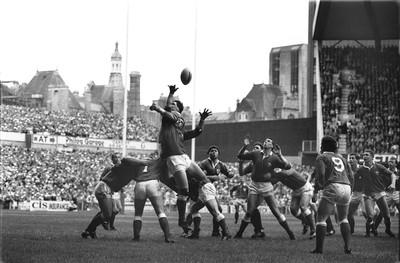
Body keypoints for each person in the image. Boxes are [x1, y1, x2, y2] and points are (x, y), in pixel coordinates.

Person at [150, 85, 212, 235]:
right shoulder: (167, 120)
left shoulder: (179, 129)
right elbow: (167, 111)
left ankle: (199, 203)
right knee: (183, 189)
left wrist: (202, 119)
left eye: (173, 104)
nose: (170, 105)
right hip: (173, 158)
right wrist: (170, 94)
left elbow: (197, 131)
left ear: (178, 109)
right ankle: (182, 219)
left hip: (184, 157)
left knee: (205, 180)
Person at [234, 137, 295, 240]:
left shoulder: (275, 158)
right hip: (254, 185)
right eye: (265, 140)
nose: (266, 141)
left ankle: (290, 233)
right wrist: (244, 146)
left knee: (276, 212)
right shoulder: (256, 154)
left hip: (267, 186)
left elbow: (288, 166)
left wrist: (280, 155)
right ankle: (239, 233)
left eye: (268, 141)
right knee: (249, 211)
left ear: (271, 146)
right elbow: (240, 155)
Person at [81, 155, 153, 239]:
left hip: (108, 189)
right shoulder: (127, 165)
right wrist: (142, 161)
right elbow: (125, 158)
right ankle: (89, 230)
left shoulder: (135, 172)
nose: (145, 165)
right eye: (145, 163)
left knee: (110, 212)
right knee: (107, 214)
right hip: (104, 187)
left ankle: (89, 231)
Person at [311, 136, 353, 254]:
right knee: (343, 218)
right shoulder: (342, 158)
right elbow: (351, 176)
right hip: (347, 186)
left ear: (323, 146)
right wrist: (351, 189)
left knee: (321, 218)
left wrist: (316, 191)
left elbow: (320, 175)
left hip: (333, 186)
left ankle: (319, 249)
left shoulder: (322, 157)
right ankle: (347, 247)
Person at [132, 158, 177, 243]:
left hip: (140, 183)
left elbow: (132, 175)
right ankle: (167, 236)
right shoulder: (156, 161)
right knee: (160, 212)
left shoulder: (138, 164)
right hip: (152, 182)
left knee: (138, 214)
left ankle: (136, 236)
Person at [184, 167, 233, 241]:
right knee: (193, 209)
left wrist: (194, 194)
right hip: (205, 188)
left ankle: (226, 233)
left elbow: (196, 181)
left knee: (215, 212)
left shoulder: (186, 170)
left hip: (204, 188)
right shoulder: (190, 168)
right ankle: (195, 232)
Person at [356, 151, 397, 238]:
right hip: (368, 195)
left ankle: (388, 230)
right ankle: (371, 232)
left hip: (380, 194)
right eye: (364, 155)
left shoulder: (378, 167)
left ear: (372, 157)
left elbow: (392, 174)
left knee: (387, 215)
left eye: (367, 155)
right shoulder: (360, 169)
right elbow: (354, 179)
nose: (364, 156)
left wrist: (393, 184)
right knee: (370, 216)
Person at [197, 145, 234, 237]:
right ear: (208, 153)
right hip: (202, 187)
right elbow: (197, 174)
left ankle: (215, 231)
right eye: (211, 151)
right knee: (216, 210)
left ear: (218, 153)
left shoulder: (221, 164)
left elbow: (229, 174)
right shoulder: (204, 163)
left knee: (194, 209)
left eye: (215, 151)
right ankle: (223, 231)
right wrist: (213, 177)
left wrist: (231, 174)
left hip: (210, 189)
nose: (213, 152)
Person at [272, 167, 317, 239]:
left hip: (305, 188)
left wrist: (274, 174)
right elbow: (273, 181)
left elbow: (286, 173)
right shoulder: (279, 176)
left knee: (303, 207)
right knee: (293, 210)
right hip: (296, 191)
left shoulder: (288, 170)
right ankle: (306, 222)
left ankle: (313, 230)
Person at [346, 153, 368, 235]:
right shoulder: (347, 170)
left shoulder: (362, 169)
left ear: (357, 160)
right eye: (350, 158)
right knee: (349, 213)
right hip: (353, 194)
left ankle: (371, 230)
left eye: (353, 158)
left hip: (363, 193)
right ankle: (352, 232)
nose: (350, 160)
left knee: (365, 212)